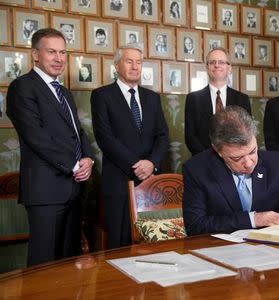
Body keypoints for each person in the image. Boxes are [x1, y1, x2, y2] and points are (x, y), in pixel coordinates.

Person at [6, 28, 94, 266]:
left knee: (69, 263)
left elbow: (78, 132)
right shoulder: (22, 87)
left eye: (63, 52)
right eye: (52, 52)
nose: (59, 58)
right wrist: (75, 165)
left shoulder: (64, 92)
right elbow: (36, 137)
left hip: (74, 189)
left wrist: (87, 158)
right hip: (45, 191)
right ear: (35, 54)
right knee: (43, 265)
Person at [183, 106, 279, 235]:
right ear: (218, 151)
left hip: (269, 254)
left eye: (252, 151)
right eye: (237, 159)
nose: (249, 163)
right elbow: (195, 225)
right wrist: (254, 219)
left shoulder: (276, 163)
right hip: (218, 255)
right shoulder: (196, 170)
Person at [90, 44, 169, 249]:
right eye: (129, 61)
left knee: (151, 244)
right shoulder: (102, 95)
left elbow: (162, 135)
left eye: (139, 62)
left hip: (151, 182)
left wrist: (152, 163)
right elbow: (105, 138)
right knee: (120, 245)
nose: (135, 66)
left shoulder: (152, 98)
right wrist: (137, 165)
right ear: (117, 65)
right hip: (118, 182)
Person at [184, 47, 251, 156]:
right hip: (203, 160)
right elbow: (190, 136)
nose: (217, 65)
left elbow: (247, 133)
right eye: (212, 62)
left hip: (235, 160)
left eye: (221, 62)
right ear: (207, 67)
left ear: (229, 68)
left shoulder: (242, 99)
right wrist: (208, 158)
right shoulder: (193, 99)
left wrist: (232, 155)